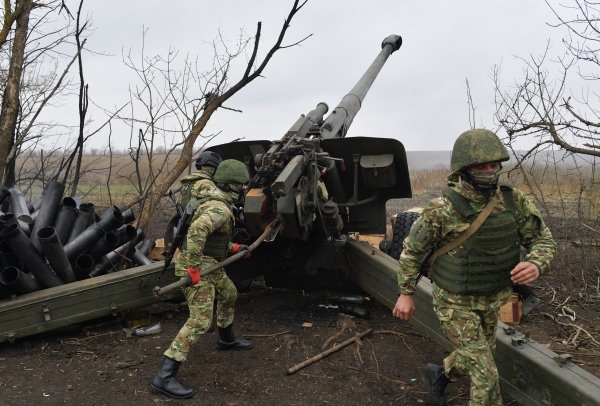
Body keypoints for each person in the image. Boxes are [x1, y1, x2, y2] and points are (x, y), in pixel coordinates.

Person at [392, 129, 556, 406]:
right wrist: (406, 293)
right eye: (481, 166)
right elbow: (412, 251)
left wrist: (536, 263)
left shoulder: (511, 200)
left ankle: (440, 375)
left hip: (492, 298)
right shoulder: (442, 209)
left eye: (494, 165)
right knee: (486, 376)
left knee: (476, 355)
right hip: (454, 302)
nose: (489, 171)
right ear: (465, 168)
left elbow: (542, 238)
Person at [151, 159, 253, 399]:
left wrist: (234, 247)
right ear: (231, 186)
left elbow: (214, 240)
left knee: (229, 294)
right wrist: (193, 270)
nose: (243, 191)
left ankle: (226, 340)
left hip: (210, 263)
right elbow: (197, 230)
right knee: (200, 320)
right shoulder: (219, 208)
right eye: (241, 186)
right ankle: (164, 377)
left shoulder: (219, 203)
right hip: (197, 267)